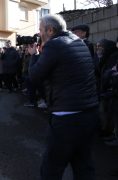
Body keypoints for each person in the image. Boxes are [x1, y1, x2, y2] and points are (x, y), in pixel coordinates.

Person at [28, 14, 100, 179]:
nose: (39, 35)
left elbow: (35, 77)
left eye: (40, 31)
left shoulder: (53, 45)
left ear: (50, 30)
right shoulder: (79, 43)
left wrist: (34, 55)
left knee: (51, 169)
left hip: (67, 119)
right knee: (83, 165)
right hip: (90, 114)